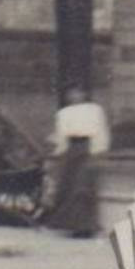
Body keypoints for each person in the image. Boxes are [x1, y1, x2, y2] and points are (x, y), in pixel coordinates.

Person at [43, 86, 111, 239]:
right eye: (71, 93)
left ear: (84, 94)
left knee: (85, 187)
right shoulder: (63, 113)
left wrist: (99, 151)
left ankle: (87, 225)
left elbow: (101, 131)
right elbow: (61, 135)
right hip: (72, 150)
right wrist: (58, 153)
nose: (75, 96)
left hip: (88, 147)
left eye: (78, 92)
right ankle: (72, 224)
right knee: (70, 186)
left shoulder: (95, 110)